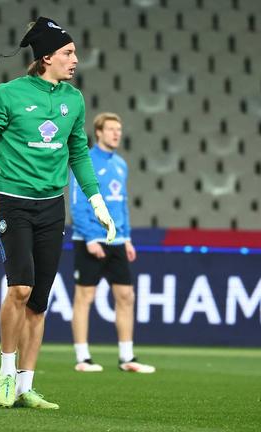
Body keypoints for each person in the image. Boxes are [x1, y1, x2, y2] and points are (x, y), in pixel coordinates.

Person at [0, 17, 115, 410]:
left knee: (39, 301)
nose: (76, 59)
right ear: (46, 57)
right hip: (13, 202)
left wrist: (96, 200)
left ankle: (25, 385)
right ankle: (5, 373)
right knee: (19, 289)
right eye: (69, 53)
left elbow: (79, 154)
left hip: (53, 207)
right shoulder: (7, 95)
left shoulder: (75, 100)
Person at [69, 112, 155, 374]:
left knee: (126, 296)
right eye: (111, 129)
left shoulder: (121, 164)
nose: (117, 133)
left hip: (117, 240)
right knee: (85, 296)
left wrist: (127, 237)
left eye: (119, 129)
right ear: (98, 132)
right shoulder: (85, 161)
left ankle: (126, 356)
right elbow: (77, 203)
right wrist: (90, 238)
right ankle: (83, 357)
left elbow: (122, 204)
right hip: (91, 239)